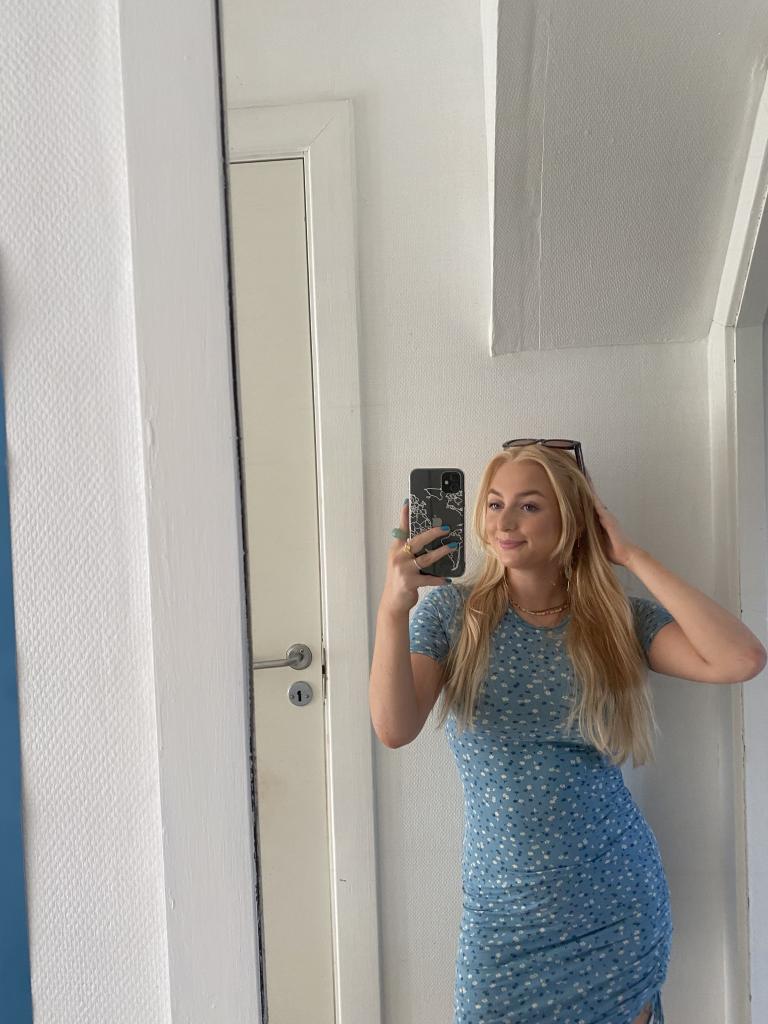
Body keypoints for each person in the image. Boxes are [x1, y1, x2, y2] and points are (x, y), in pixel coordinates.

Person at [369, 441, 766, 1024]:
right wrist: (392, 610)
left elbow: (741, 659)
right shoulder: (454, 615)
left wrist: (630, 555)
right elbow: (393, 727)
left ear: (572, 520)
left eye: (529, 506)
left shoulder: (616, 620)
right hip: (502, 917)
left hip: (613, 907)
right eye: (495, 504)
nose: (505, 522)